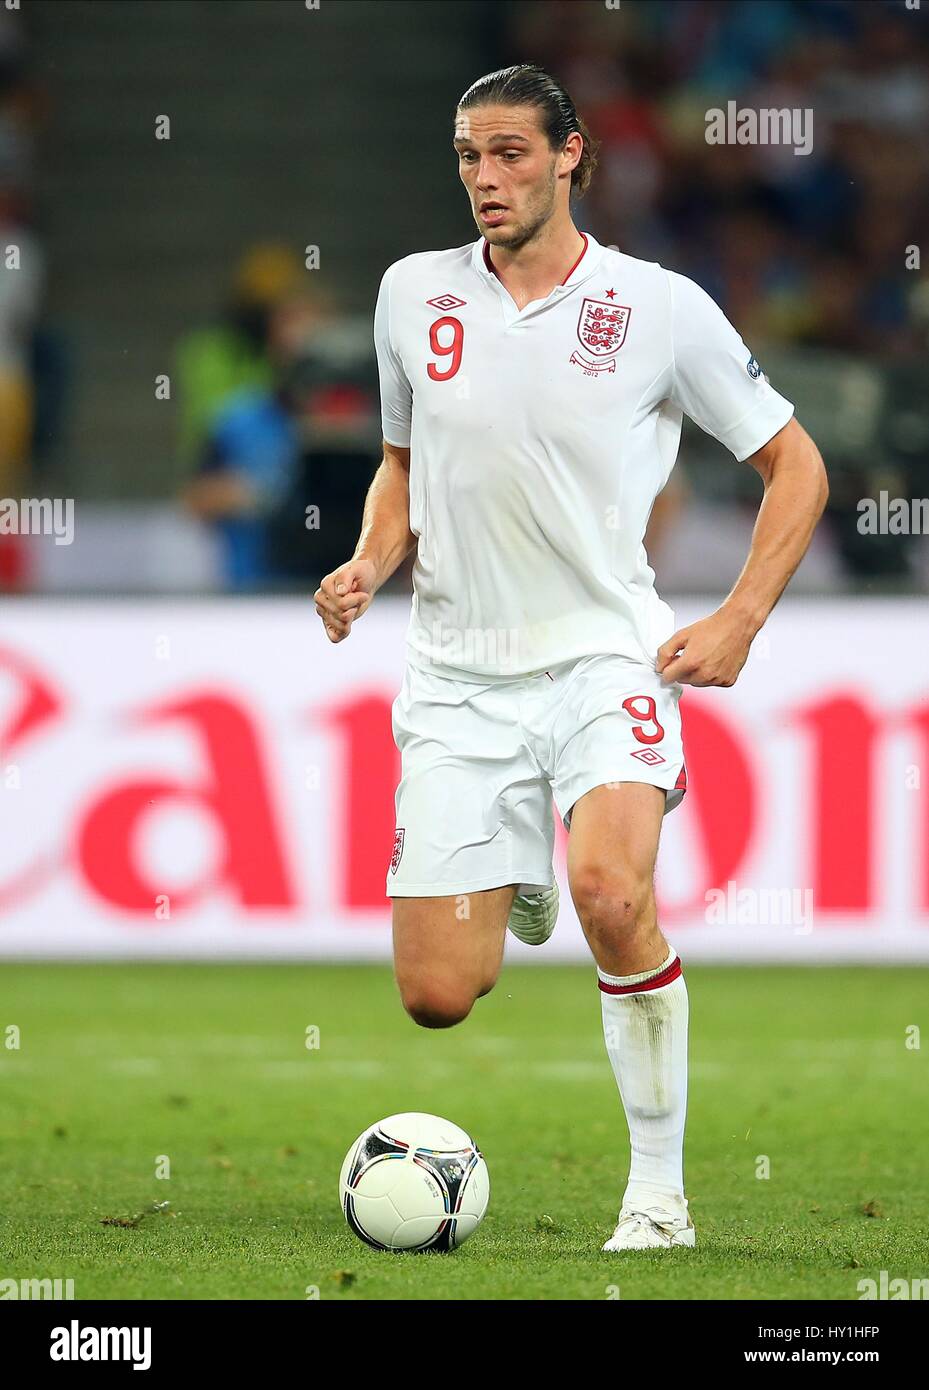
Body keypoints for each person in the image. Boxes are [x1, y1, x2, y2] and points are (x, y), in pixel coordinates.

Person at [314, 64, 827, 1252]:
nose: (483, 179)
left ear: (567, 156)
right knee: (436, 996)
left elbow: (792, 463)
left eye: (506, 154)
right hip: (454, 675)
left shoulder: (657, 308)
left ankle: (656, 1193)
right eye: (465, 157)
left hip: (604, 657)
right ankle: (515, 867)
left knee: (611, 896)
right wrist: (366, 561)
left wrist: (742, 615)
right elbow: (401, 463)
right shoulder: (409, 296)